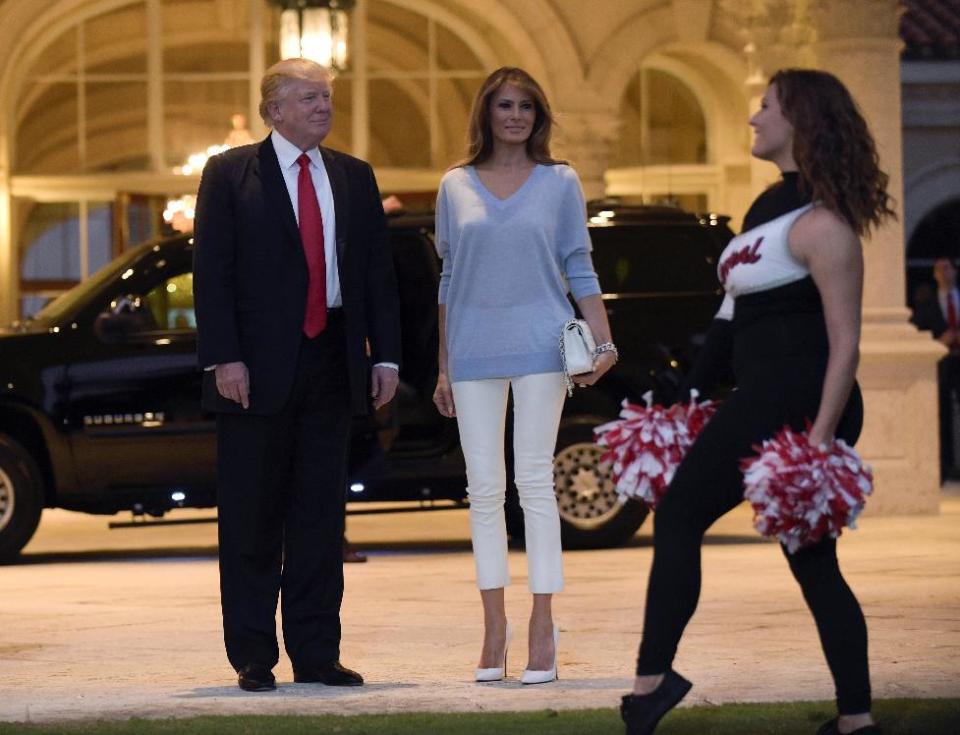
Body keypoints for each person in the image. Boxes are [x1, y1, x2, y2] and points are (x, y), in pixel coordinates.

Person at [620, 69, 893, 735]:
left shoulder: (826, 223)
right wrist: (686, 395)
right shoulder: (764, 209)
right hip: (762, 391)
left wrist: (821, 439)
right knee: (812, 560)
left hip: (798, 397)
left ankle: (651, 682)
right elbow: (728, 318)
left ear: (798, 118)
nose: (752, 117)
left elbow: (846, 344)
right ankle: (856, 719)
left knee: (680, 511)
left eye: (765, 106)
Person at [193, 57, 401, 692]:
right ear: (273, 111)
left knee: (318, 519)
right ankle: (254, 655)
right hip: (252, 370)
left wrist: (385, 355)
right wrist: (224, 356)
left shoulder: (354, 177)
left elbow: (376, 273)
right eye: (309, 97)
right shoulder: (230, 174)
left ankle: (317, 653)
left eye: (327, 97)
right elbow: (213, 272)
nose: (323, 107)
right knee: (252, 519)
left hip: (333, 362)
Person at [432, 67, 616, 685]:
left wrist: (604, 341)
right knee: (483, 488)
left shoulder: (560, 182)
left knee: (535, 484)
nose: (515, 116)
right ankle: (493, 626)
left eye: (527, 108)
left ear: (538, 117)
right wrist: (443, 367)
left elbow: (579, 266)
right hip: (473, 350)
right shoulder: (454, 185)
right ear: (485, 112)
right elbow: (448, 280)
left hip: (543, 345)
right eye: (505, 105)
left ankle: (542, 624)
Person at [910, 258, 960, 479]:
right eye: (939, 269)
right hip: (941, 365)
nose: (944, 273)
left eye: (947, 268)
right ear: (934, 275)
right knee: (942, 414)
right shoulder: (927, 306)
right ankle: (945, 465)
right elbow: (918, 333)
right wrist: (940, 341)